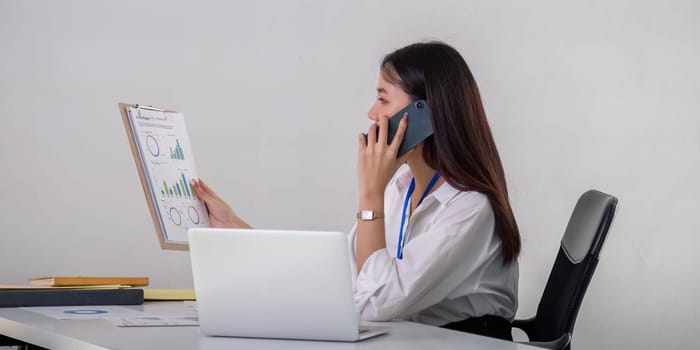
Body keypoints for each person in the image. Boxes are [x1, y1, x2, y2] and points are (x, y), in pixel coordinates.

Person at [192, 41, 520, 341]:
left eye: (382, 99)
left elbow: (375, 304)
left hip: (469, 342)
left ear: (424, 114)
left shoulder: (470, 207)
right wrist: (240, 232)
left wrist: (370, 196)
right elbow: (345, 283)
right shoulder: (402, 188)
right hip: (418, 339)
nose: (371, 114)